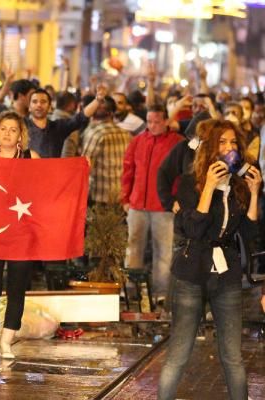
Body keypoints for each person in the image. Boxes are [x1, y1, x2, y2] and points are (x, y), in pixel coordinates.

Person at [157, 119, 261, 400]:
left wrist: (253, 194)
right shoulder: (191, 182)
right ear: (210, 149)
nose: (229, 148)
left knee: (233, 356)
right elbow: (193, 229)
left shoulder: (238, 185)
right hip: (191, 272)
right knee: (178, 353)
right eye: (222, 143)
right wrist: (209, 188)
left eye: (233, 143)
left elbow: (250, 232)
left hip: (226, 275)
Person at [0, 111, 39, 360]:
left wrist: (78, 169)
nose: (7, 133)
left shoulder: (30, 157)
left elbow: (53, 180)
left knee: (16, 288)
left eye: (13, 129)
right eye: (3, 128)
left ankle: (7, 342)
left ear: (20, 133)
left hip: (21, 234)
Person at [121, 105, 183, 306]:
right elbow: (128, 170)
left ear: (166, 121)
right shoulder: (138, 141)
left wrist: (177, 200)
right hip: (137, 204)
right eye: (149, 122)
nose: (153, 125)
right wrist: (125, 198)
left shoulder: (177, 143)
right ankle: (131, 288)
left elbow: (183, 175)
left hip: (163, 207)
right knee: (133, 248)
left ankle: (161, 292)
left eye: (157, 121)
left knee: (163, 251)